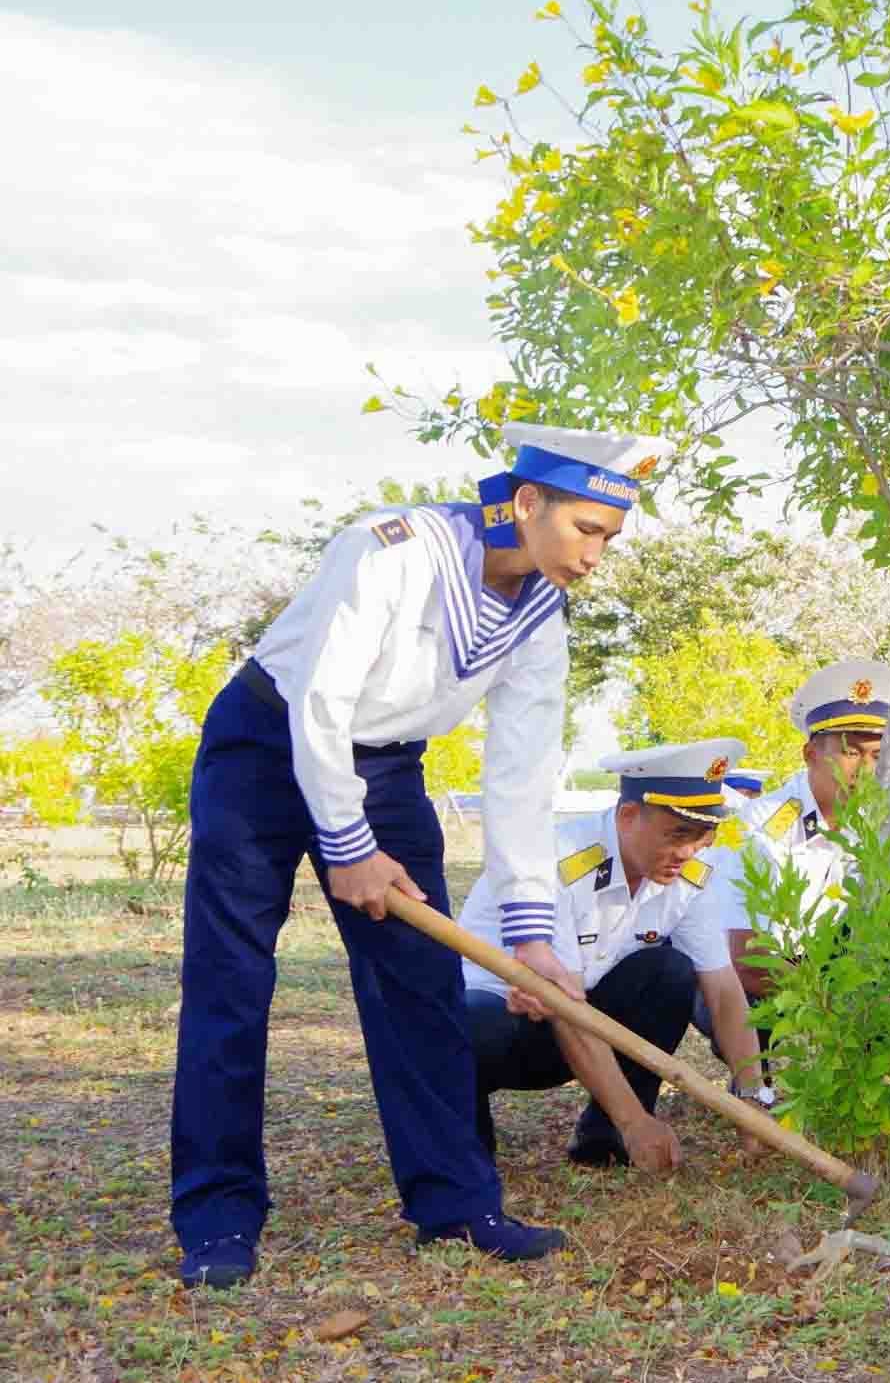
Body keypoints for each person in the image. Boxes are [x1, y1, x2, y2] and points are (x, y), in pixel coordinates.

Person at [171, 424, 666, 1288]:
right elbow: (320, 702)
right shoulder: (392, 549)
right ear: (524, 503)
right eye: (587, 530)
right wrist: (348, 847)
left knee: (421, 988)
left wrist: (532, 933)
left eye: (611, 540)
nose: (597, 556)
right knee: (231, 982)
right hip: (265, 742)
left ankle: (456, 1205)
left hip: (389, 765)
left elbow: (520, 776)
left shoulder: (543, 611)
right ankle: (218, 1216)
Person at [459, 740, 770, 1168]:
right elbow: (563, 1006)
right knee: (470, 1022)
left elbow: (723, 989)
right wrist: (635, 1121)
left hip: (582, 1022)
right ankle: (464, 1149)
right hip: (508, 1026)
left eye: (702, 836)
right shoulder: (559, 862)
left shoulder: (688, 875)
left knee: (669, 972)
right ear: (627, 817)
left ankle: (605, 1139)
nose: (688, 852)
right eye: (678, 834)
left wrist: (753, 1096)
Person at [705, 658, 890, 1012]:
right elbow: (746, 959)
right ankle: (759, 1069)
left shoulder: (881, 818)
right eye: (850, 752)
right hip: (751, 975)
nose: (865, 769)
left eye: (876, 755)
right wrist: (855, 1006)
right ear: (810, 753)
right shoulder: (760, 827)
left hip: (836, 965)